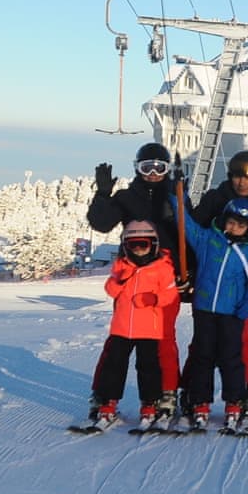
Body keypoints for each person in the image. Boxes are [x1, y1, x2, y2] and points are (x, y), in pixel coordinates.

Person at [87, 141, 183, 423]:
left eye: (159, 168)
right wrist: (103, 194)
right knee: (119, 337)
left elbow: (188, 235)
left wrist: (188, 274)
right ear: (137, 169)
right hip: (131, 275)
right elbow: (101, 223)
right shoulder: (127, 197)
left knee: (163, 338)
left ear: (167, 169)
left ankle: (166, 391)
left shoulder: (175, 196)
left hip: (164, 276)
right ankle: (103, 394)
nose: (153, 173)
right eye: (146, 167)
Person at [191, 151, 248, 423]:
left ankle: (247, 390)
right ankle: (194, 393)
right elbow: (195, 234)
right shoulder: (215, 199)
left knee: (239, 340)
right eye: (238, 176)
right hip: (209, 287)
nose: (242, 182)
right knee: (202, 345)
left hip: (241, 289)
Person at [172, 195, 248, 432]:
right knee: (202, 356)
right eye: (231, 222)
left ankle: (234, 403)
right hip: (204, 309)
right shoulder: (208, 239)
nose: (234, 228)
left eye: (240, 225)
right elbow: (186, 226)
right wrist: (176, 199)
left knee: (231, 358)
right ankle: (200, 403)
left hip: (231, 313)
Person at [89, 221, 178, 429]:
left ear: (153, 245)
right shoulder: (122, 266)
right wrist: (119, 281)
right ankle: (108, 403)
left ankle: (149, 404)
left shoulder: (162, 268)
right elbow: (111, 290)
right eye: (132, 245)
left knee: (148, 367)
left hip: (149, 329)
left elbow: (170, 294)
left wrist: (153, 299)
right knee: (114, 365)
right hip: (122, 328)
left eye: (143, 244)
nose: (138, 250)